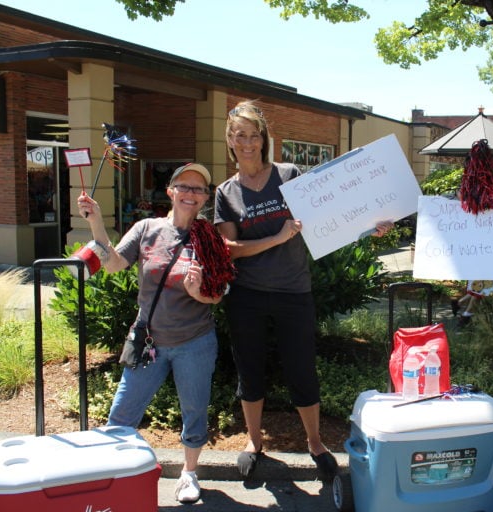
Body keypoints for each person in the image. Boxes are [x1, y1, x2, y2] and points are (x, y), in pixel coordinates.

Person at [214, 101, 392, 481]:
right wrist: (277, 237)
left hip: (294, 291)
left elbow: (330, 212)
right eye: (240, 135)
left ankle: (314, 442)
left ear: (264, 138)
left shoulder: (289, 174)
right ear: (230, 140)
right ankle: (254, 441)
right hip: (246, 295)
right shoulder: (226, 192)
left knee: (302, 370)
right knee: (250, 370)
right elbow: (230, 249)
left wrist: (369, 223)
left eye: (254, 135)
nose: (248, 142)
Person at [77, 163, 234, 504]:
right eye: (185, 186)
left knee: (194, 410)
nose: (191, 194)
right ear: (170, 191)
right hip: (148, 340)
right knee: (122, 413)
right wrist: (95, 221)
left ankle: (189, 474)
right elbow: (114, 262)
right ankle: (113, 479)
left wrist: (199, 294)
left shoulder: (209, 238)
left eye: (199, 189)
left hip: (195, 342)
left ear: (205, 197)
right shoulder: (147, 228)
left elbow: (219, 293)